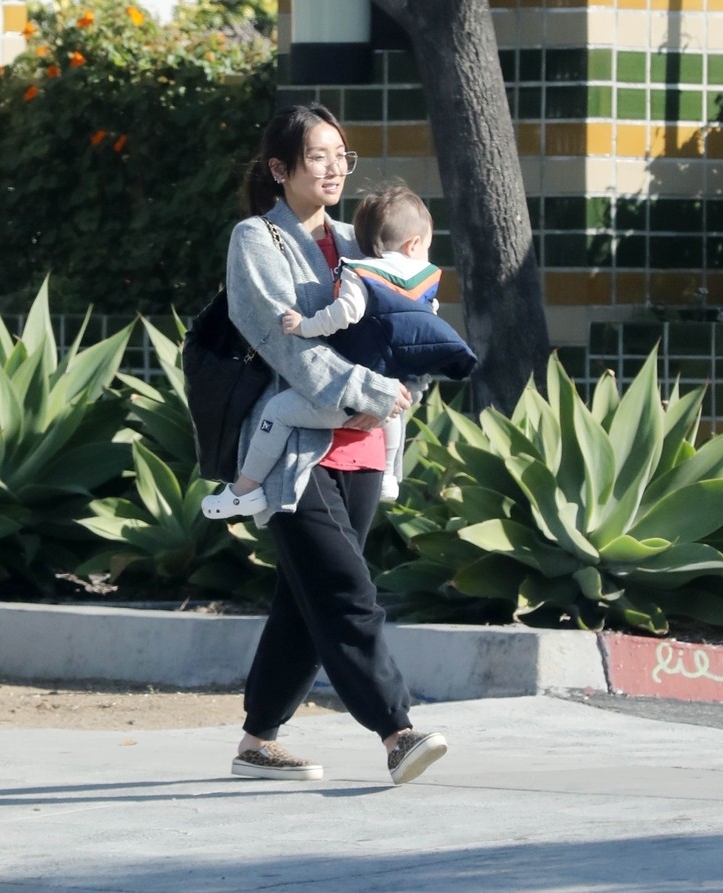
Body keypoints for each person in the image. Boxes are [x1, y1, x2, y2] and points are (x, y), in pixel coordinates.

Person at [216, 104, 449, 785]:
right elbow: (286, 347)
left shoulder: (363, 239)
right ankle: (397, 729)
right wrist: (369, 392)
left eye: (341, 154)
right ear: (280, 168)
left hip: (366, 450)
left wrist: (403, 389)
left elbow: (409, 327)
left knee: (304, 594)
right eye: (318, 155)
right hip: (295, 448)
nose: (335, 166)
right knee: (346, 589)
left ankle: (258, 739)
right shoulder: (255, 241)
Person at [202, 181, 475, 516]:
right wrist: (391, 395)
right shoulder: (424, 286)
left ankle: (245, 488)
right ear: (415, 244)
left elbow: (343, 314)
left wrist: (305, 325)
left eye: (340, 156)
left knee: (277, 412)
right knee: (394, 404)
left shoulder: (362, 270)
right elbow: (423, 341)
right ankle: (392, 473)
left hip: (342, 399)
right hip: (378, 405)